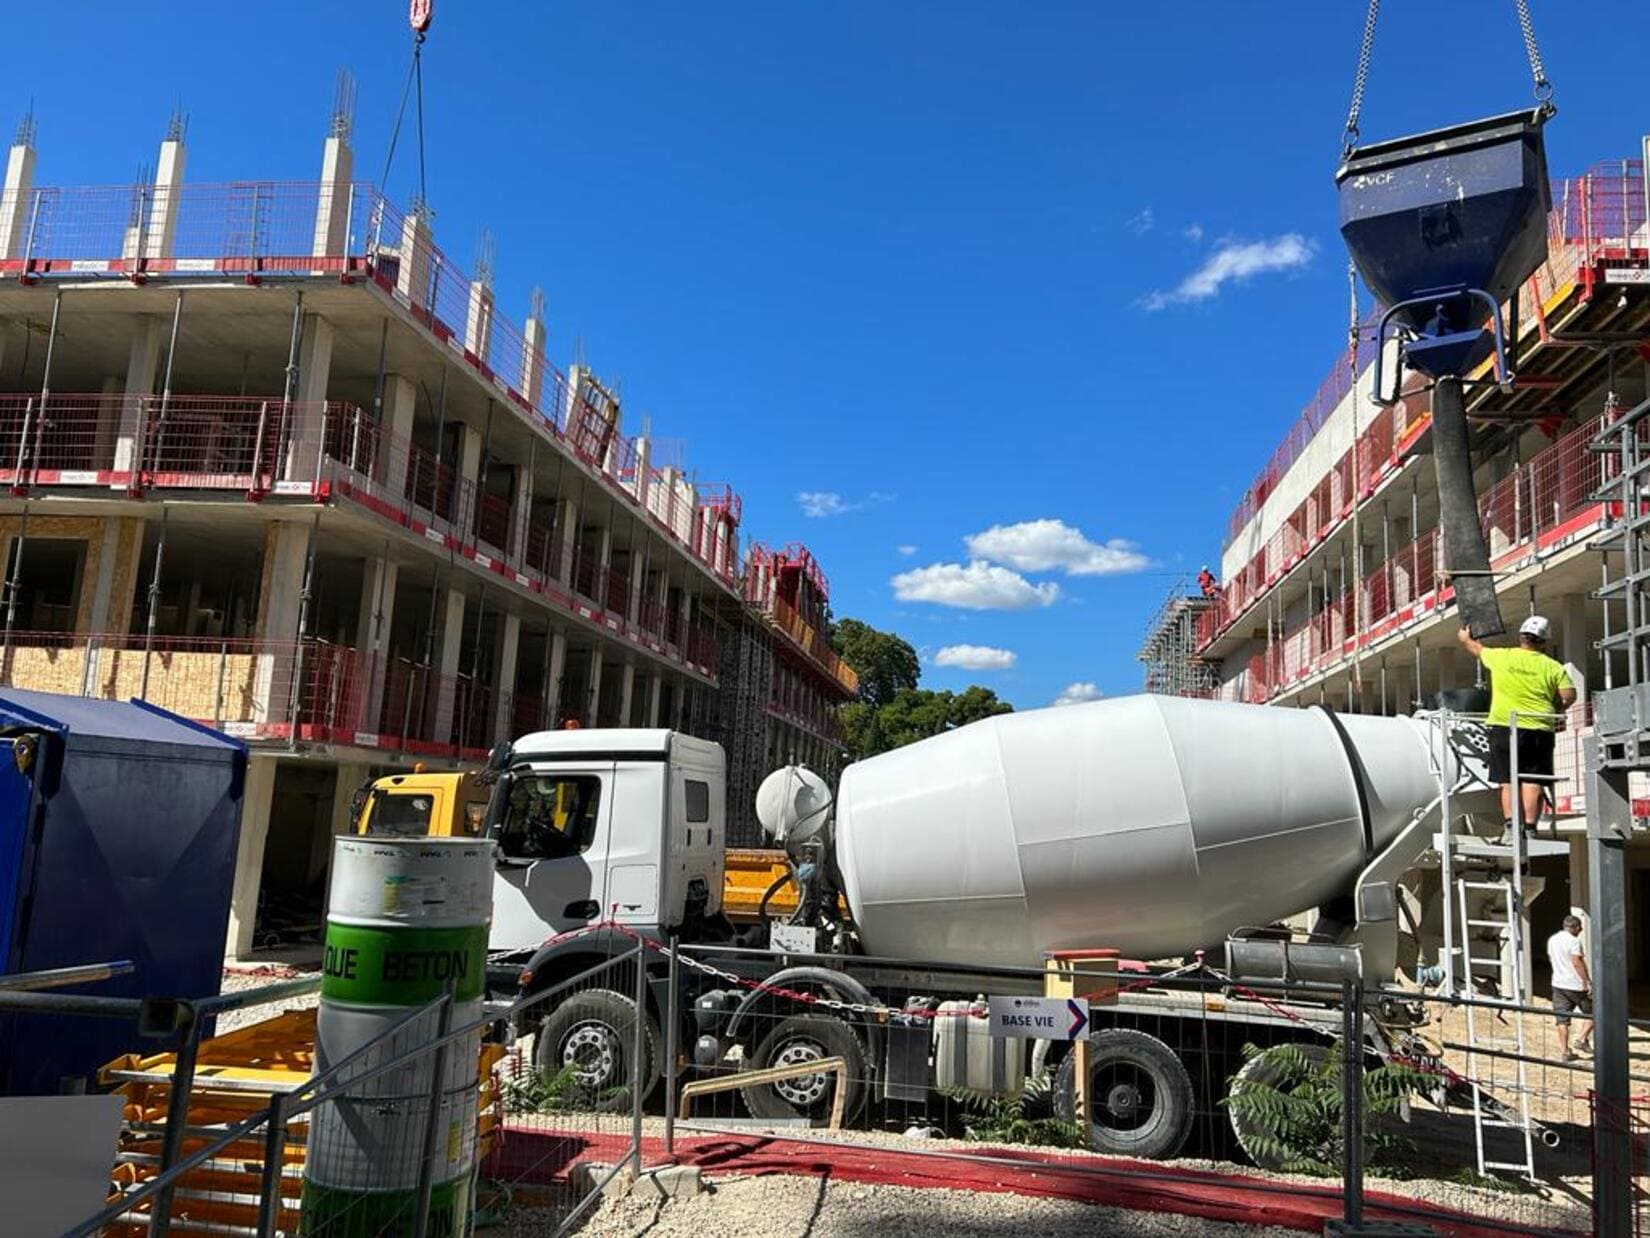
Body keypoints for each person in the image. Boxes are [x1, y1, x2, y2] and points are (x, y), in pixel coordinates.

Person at [1456, 615, 1577, 830]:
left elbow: (1474, 647)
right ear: (1544, 641)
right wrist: (1557, 708)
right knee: (1533, 779)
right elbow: (1568, 695)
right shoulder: (1553, 667)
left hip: (1505, 727)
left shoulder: (1502, 657)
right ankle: (1530, 827)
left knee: (1508, 780)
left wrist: (1465, 637)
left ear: (1521, 637)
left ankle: (1512, 825)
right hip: (1539, 728)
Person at [1547, 914, 1593, 1060]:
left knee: (1562, 1018)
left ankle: (1565, 1051)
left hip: (1558, 983)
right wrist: (1587, 981)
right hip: (1575, 984)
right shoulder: (1574, 941)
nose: (1581, 930)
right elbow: (1577, 962)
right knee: (1595, 1011)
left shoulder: (1553, 939)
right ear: (1575, 927)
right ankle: (1581, 1038)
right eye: (1580, 927)